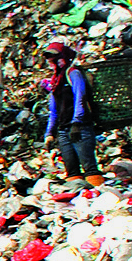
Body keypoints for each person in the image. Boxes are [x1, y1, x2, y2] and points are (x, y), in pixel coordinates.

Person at [41, 41, 102, 188]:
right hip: (63, 130)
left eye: (55, 57)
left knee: (89, 167)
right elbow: (53, 111)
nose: (52, 62)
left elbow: (80, 98)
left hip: (80, 127)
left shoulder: (73, 73)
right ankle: (79, 199)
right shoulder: (55, 81)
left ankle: (98, 195)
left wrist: (76, 122)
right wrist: (50, 133)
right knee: (72, 170)